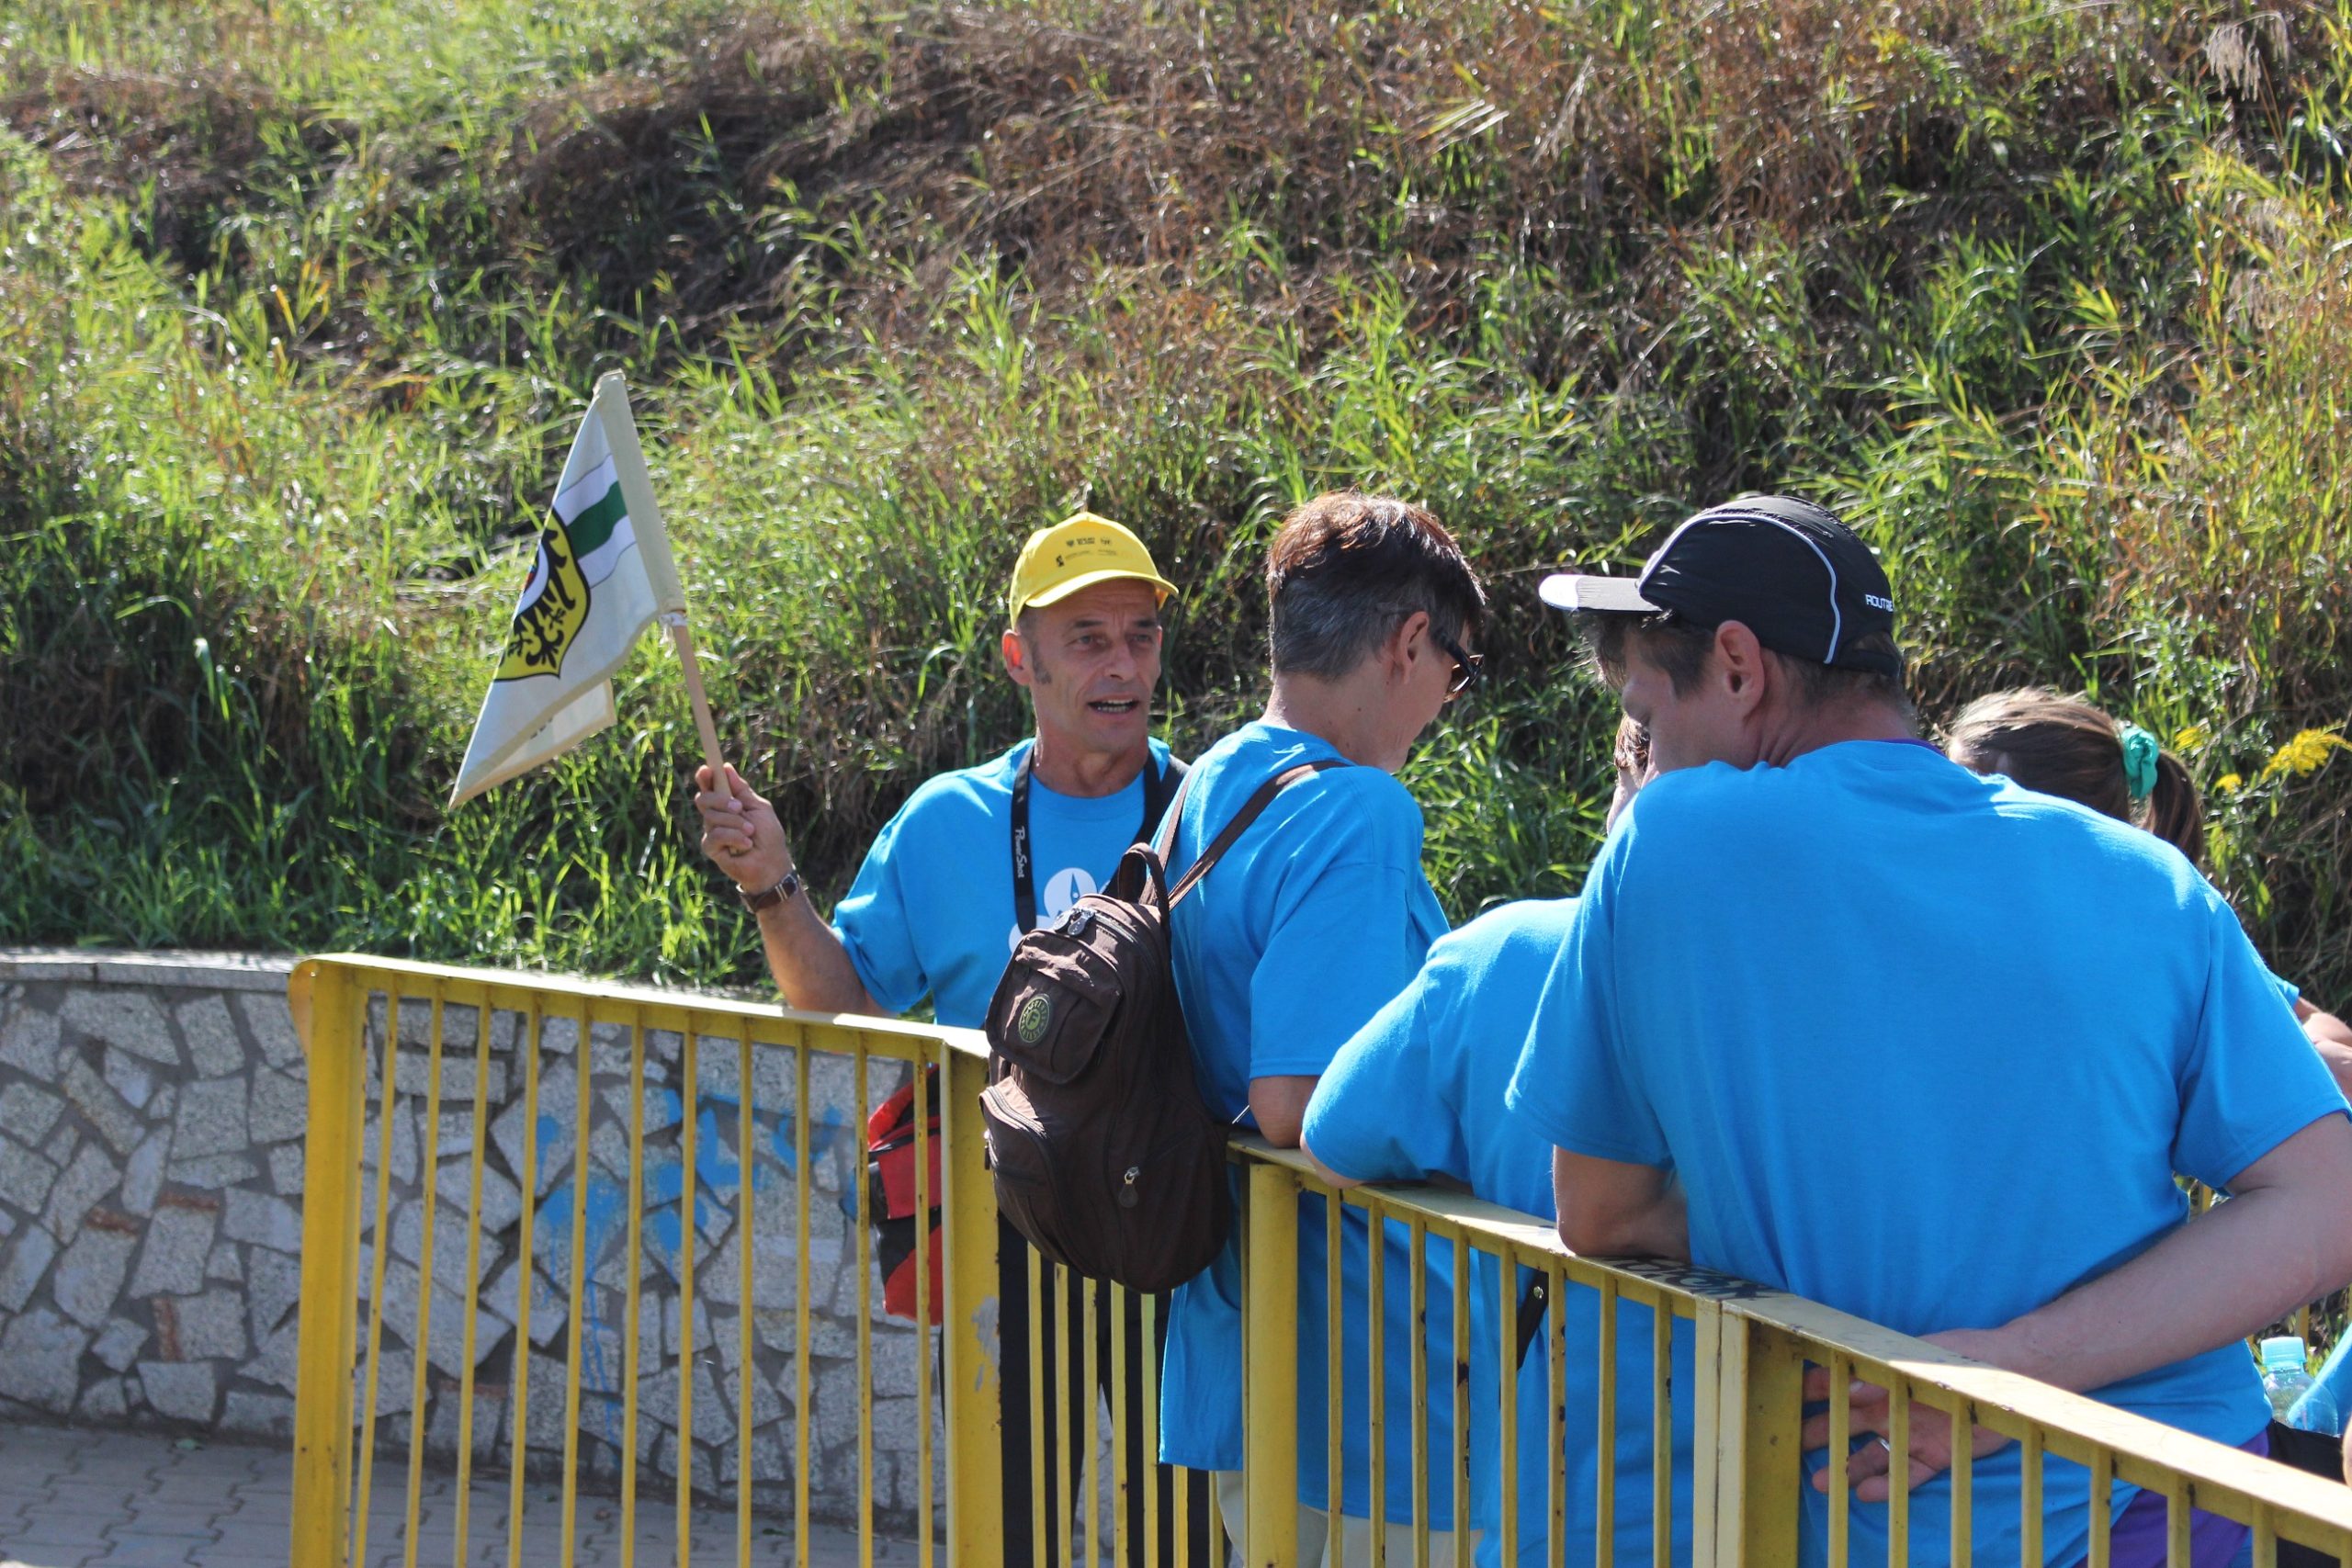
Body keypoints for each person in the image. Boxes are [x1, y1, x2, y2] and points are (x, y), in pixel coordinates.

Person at [1512, 493, 2352, 1568]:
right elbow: (2324, 1197)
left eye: (1648, 714)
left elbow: (1599, 1208)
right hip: (2173, 1498)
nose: (1652, 753)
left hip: (1871, 1519)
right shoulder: (2143, 879)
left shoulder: (1668, 846)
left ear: (1736, 666)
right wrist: (2014, 1361)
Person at [694, 510, 1214, 1567]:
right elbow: (840, 1006)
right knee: (1008, 1521)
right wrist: (773, 887)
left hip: (1182, 1231)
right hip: (1007, 1225)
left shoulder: (1212, 811)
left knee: (1189, 1531)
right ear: (1022, 659)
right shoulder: (946, 822)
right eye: (1088, 639)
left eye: (1140, 635)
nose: (1122, 666)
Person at [1157, 490, 1487, 1565]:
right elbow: (1302, 1105)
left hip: (1240, 1341)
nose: (1445, 698)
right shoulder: (1358, 811)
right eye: (1457, 668)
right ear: (1406, 644)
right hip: (1360, 1368)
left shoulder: (1211, 781)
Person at [1300, 718, 1699, 1568]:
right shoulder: (1809, 990)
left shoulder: (1502, 952)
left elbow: (1331, 1132)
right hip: (1775, 1507)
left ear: (1619, 796)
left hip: (1549, 1508)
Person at [1945, 688, 2352, 1100]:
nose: (1934, 812)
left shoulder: (2147, 939)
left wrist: (2308, 1055)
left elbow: (2314, 1024)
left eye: (1962, 795)